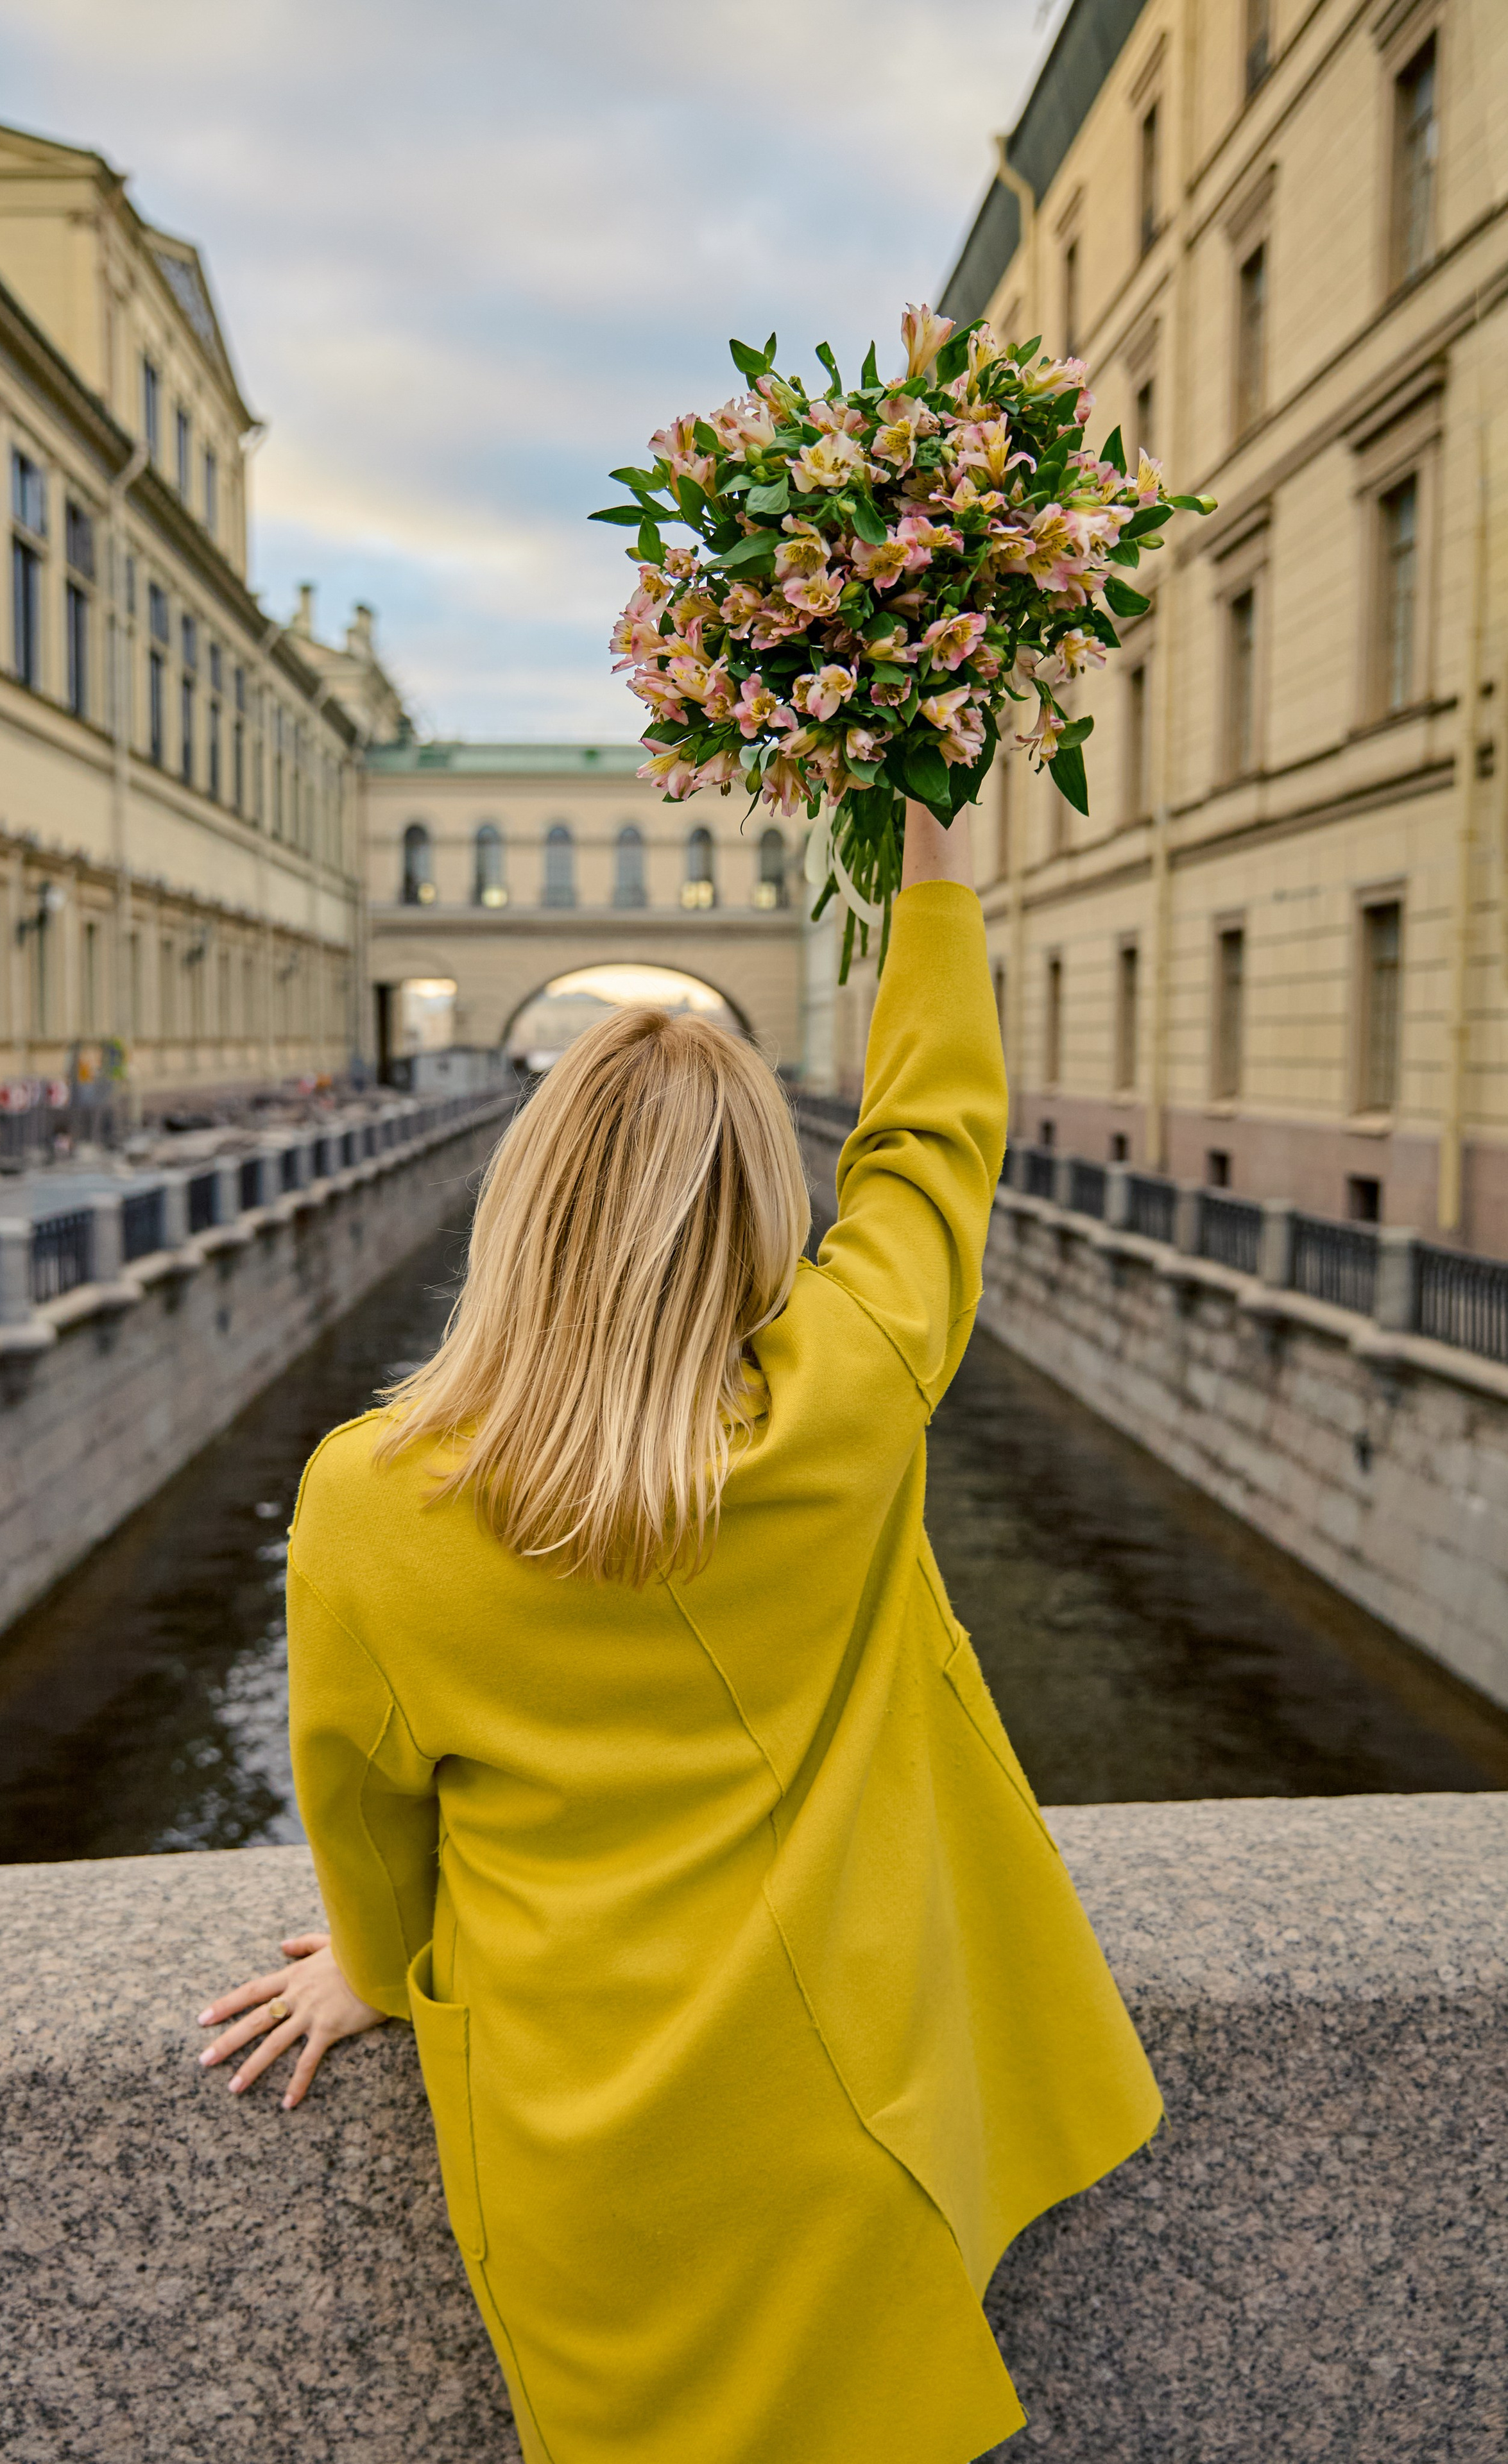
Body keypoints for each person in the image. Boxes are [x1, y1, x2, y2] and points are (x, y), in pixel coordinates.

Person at [198, 800, 1161, 2463]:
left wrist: (370, 1963)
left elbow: (358, 1798)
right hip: (849, 2120)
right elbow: (936, 1140)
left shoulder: (371, 1496)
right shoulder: (847, 1404)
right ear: (752, 1216)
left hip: (586, 2156)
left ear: (531, 1195)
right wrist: (934, 856)